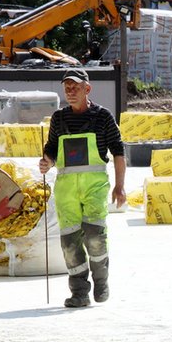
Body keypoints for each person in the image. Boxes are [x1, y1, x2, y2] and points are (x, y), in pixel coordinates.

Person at [39, 67, 126, 308]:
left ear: (87, 89)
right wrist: (47, 161)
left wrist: (120, 186)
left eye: (76, 87)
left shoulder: (103, 116)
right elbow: (53, 148)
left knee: (95, 237)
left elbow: (118, 151)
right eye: (67, 87)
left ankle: (101, 281)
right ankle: (79, 292)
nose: (71, 91)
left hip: (94, 188)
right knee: (69, 243)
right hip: (66, 191)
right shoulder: (59, 118)